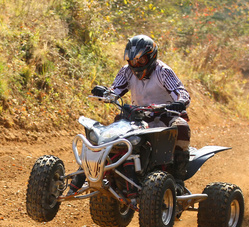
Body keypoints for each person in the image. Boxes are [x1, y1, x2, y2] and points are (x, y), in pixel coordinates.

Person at [64, 34, 191, 197]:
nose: (136, 65)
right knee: (110, 133)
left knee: (180, 127)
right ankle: (105, 171)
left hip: (165, 115)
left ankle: (178, 180)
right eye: (132, 61)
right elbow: (115, 90)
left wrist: (179, 102)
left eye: (140, 61)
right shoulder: (127, 72)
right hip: (137, 116)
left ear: (151, 57)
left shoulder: (163, 71)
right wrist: (105, 93)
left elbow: (181, 92)